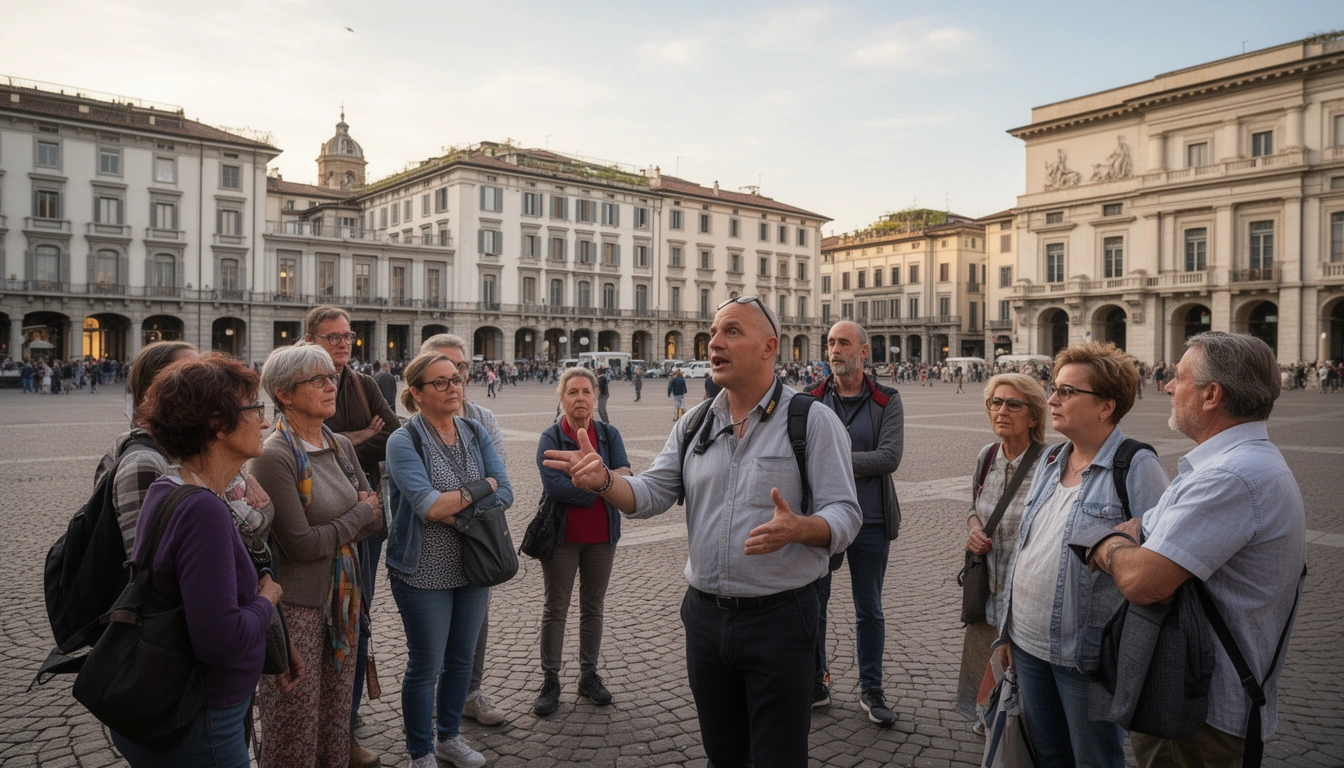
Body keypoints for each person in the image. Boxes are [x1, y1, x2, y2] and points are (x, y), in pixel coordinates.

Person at [543, 296, 861, 767]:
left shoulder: (812, 421)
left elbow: (846, 513)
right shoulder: (694, 423)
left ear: (770, 346)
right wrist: (606, 481)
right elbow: (651, 492)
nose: (715, 342)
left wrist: (803, 528)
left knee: (779, 757)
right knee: (722, 755)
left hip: (781, 617)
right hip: (706, 618)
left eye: (732, 331)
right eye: (714, 333)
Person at [1088, 333, 1306, 766]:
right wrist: (1135, 541)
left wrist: (1106, 545)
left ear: (1211, 395)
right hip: (1199, 697)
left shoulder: (1230, 477)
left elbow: (1142, 580)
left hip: (1197, 712)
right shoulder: (1234, 465)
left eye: (1179, 377)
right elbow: (1143, 530)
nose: (1168, 386)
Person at [996, 342, 1170, 768]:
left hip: (1084, 653)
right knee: (1049, 754)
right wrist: (1006, 629)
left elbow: (1156, 564)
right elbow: (1026, 547)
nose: (1052, 399)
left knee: (1094, 758)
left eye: (1068, 392)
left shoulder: (1136, 465)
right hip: (1028, 642)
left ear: (1106, 405)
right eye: (1055, 388)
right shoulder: (1052, 458)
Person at [110, 352, 282, 767]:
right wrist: (267, 600)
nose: (264, 420)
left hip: (183, 706)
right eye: (255, 408)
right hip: (204, 718)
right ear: (217, 424)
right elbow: (219, 642)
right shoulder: (202, 509)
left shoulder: (171, 487)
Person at [250, 343, 384, 768]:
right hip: (299, 610)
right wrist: (357, 512)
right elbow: (302, 545)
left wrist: (357, 517)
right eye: (319, 380)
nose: (332, 386)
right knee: (294, 728)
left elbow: (378, 522)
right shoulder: (275, 456)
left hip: (343, 602)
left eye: (333, 377)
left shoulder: (338, 444)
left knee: (334, 723)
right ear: (285, 394)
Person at [385, 353, 513, 768]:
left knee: (461, 658)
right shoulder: (405, 440)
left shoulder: (474, 430)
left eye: (456, 379)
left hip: (474, 563)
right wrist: (482, 489)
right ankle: (420, 751)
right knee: (426, 663)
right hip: (423, 567)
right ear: (416, 393)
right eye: (439, 382)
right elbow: (426, 506)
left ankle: (449, 737)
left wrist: (459, 503)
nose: (453, 387)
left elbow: (506, 492)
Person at [303, 305, 398, 768]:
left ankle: (349, 713)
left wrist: (340, 439)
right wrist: (355, 436)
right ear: (309, 341)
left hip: (364, 521)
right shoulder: (297, 382)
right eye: (331, 336)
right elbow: (297, 441)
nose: (343, 343)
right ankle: (313, 713)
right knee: (310, 623)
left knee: (356, 619)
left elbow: (393, 437)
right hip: (314, 521)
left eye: (347, 336)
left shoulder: (363, 383)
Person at [807, 321, 904, 726]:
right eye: (830, 343)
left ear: (864, 352)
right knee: (815, 605)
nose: (834, 350)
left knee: (870, 609)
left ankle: (871, 687)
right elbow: (797, 456)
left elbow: (889, 458)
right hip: (822, 521)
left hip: (871, 520)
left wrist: (830, 459)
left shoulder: (887, 400)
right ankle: (815, 680)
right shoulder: (810, 400)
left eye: (843, 343)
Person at [420, 334, 509, 727]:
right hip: (432, 547)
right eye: (444, 371)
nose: (454, 378)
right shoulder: (413, 429)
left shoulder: (482, 419)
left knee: (477, 624)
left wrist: (455, 505)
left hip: (480, 542)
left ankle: (470, 693)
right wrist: (465, 499)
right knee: (433, 633)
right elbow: (418, 498)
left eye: (459, 370)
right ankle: (437, 703)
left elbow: (501, 484)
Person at [534, 367, 632, 715]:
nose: (580, 398)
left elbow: (626, 474)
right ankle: (550, 678)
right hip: (562, 538)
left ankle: (588, 675)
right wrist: (603, 485)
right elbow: (555, 486)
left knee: (593, 606)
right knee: (555, 608)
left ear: (595, 396)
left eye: (586, 392)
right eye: (572, 392)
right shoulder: (551, 437)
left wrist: (602, 480)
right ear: (562, 398)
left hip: (602, 537)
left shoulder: (608, 433)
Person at [954, 373, 1048, 724]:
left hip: (1025, 597)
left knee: (1025, 697)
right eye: (995, 403)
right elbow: (972, 508)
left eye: (1013, 404)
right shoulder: (987, 455)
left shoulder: (1050, 464)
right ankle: (987, 723)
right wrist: (975, 529)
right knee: (983, 682)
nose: (1001, 410)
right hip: (986, 590)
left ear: (1034, 416)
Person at [96, 341, 199, 555]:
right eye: (192, 376)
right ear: (152, 390)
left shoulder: (184, 447)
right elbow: (147, 570)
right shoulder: (143, 464)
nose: (207, 384)